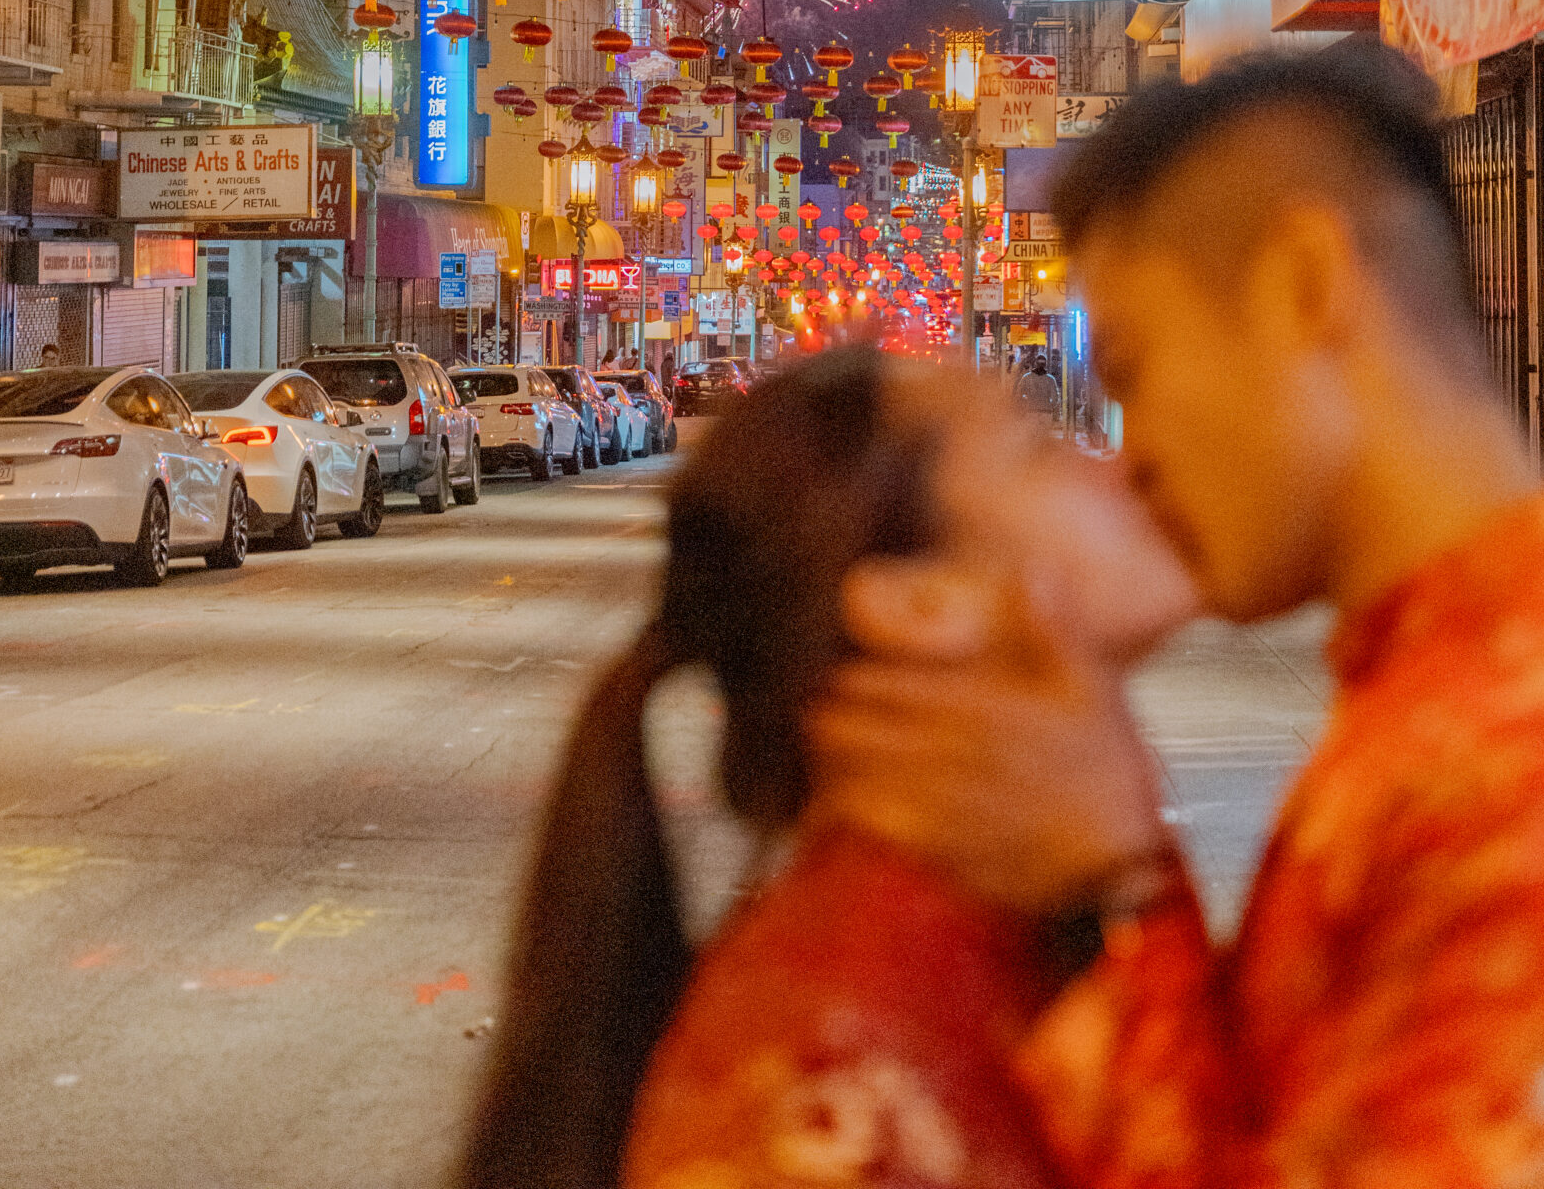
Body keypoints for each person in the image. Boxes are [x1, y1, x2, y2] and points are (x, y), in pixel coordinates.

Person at [813, 45, 1544, 1185]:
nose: (1128, 462)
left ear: (1303, 286)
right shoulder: (1450, 702)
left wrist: (1124, 890)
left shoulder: (1529, 769)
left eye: (1132, 370)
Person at [462, 350, 1194, 1189]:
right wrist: (1137, 878)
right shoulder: (836, 1077)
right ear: (917, 604)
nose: (1122, 465)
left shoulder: (994, 916)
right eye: (1036, 448)